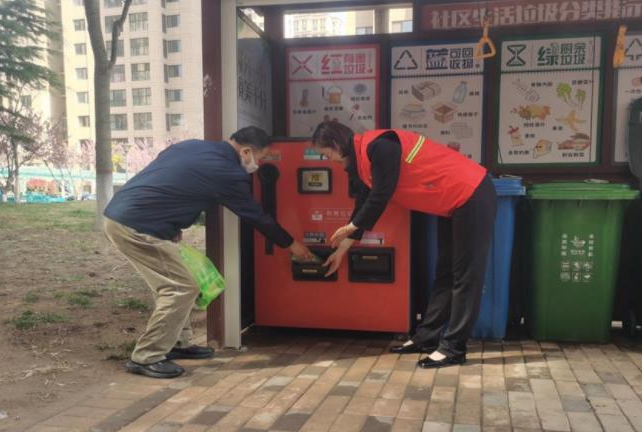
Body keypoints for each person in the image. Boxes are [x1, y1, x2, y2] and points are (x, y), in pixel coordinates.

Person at [104, 126, 311, 379]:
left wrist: (171, 223)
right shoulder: (229, 173)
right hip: (136, 225)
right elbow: (255, 215)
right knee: (180, 288)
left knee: (177, 285)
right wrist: (292, 244)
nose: (260, 164)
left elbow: (170, 179)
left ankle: (178, 343)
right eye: (262, 157)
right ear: (246, 151)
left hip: (133, 215)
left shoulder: (192, 146)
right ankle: (147, 357)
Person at [311, 121, 496, 369]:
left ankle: (454, 348)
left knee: (466, 276)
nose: (329, 161)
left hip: (470, 192)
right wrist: (342, 249)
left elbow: (381, 194)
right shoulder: (362, 164)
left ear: (336, 144)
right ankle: (427, 338)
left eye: (327, 154)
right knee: (446, 273)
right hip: (451, 202)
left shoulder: (380, 146)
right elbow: (364, 203)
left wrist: (353, 226)